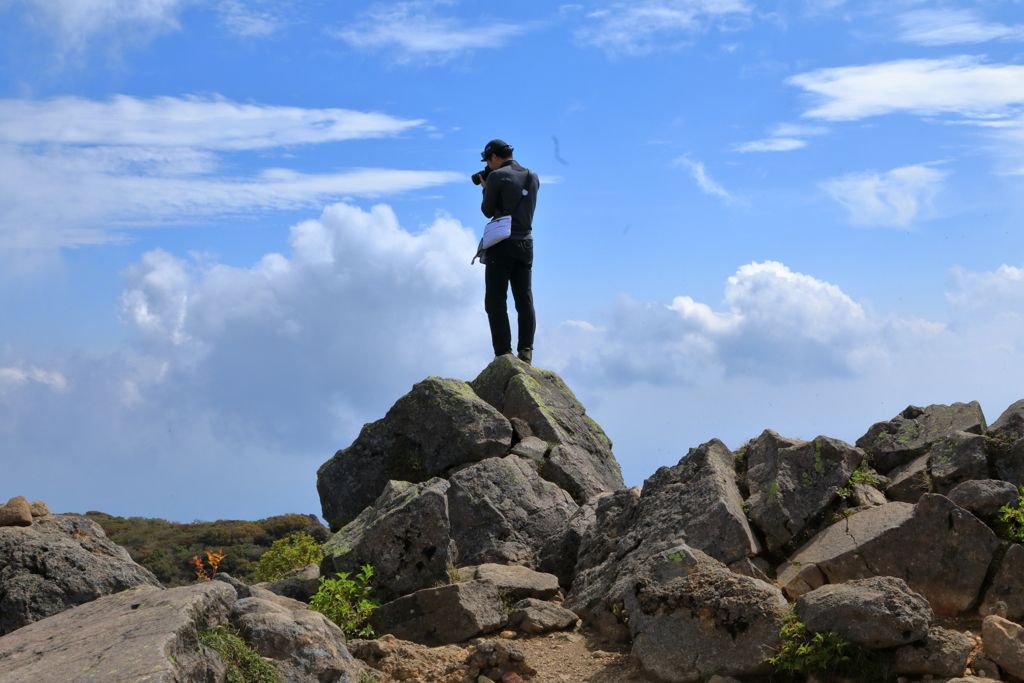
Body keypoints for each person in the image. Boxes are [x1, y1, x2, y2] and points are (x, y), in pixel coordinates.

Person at [478, 139, 539, 364]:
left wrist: (486, 189)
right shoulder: (533, 176)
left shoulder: (495, 176)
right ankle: (526, 350)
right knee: (524, 299)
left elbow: (487, 211)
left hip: (502, 244)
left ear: (494, 157)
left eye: (488, 161)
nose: (488, 166)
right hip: (526, 243)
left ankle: (503, 353)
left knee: (495, 300)